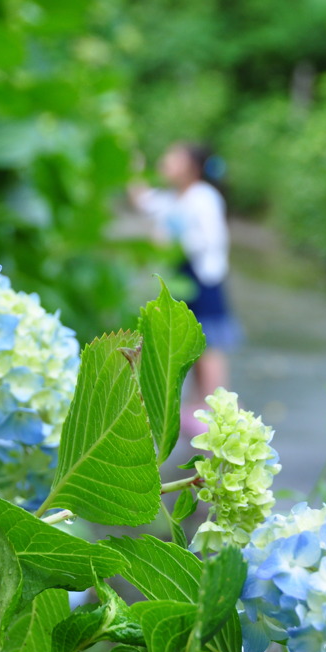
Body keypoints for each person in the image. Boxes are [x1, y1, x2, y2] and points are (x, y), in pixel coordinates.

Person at [129, 142, 241, 435]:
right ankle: (197, 404)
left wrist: (174, 239)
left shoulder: (204, 197)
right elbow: (144, 203)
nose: (165, 162)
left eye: (172, 158)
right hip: (182, 275)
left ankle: (221, 409)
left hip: (203, 277)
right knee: (189, 340)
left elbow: (212, 239)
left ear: (190, 167)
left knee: (210, 343)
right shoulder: (173, 197)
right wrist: (133, 171)